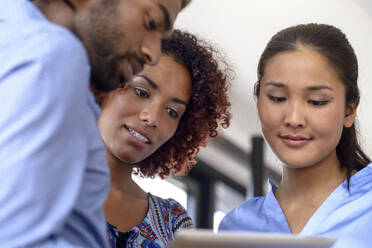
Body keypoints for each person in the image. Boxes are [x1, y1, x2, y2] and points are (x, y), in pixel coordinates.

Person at [0, 0, 190, 247]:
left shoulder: (16, 37)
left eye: (173, 112)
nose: (152, 53)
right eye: (151, 21)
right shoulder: (55, 54)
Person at [219, 23, 372, 248]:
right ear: (258, 99)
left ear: (349, 110)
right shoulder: (235, 228)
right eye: (278, 98)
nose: (293, 118)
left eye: (317, 101)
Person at [95, 30, 232, 248]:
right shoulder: (38, 176)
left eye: (172, 111)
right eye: (141, 92)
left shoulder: (174, 222)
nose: (153, 118)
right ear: (105, 84)